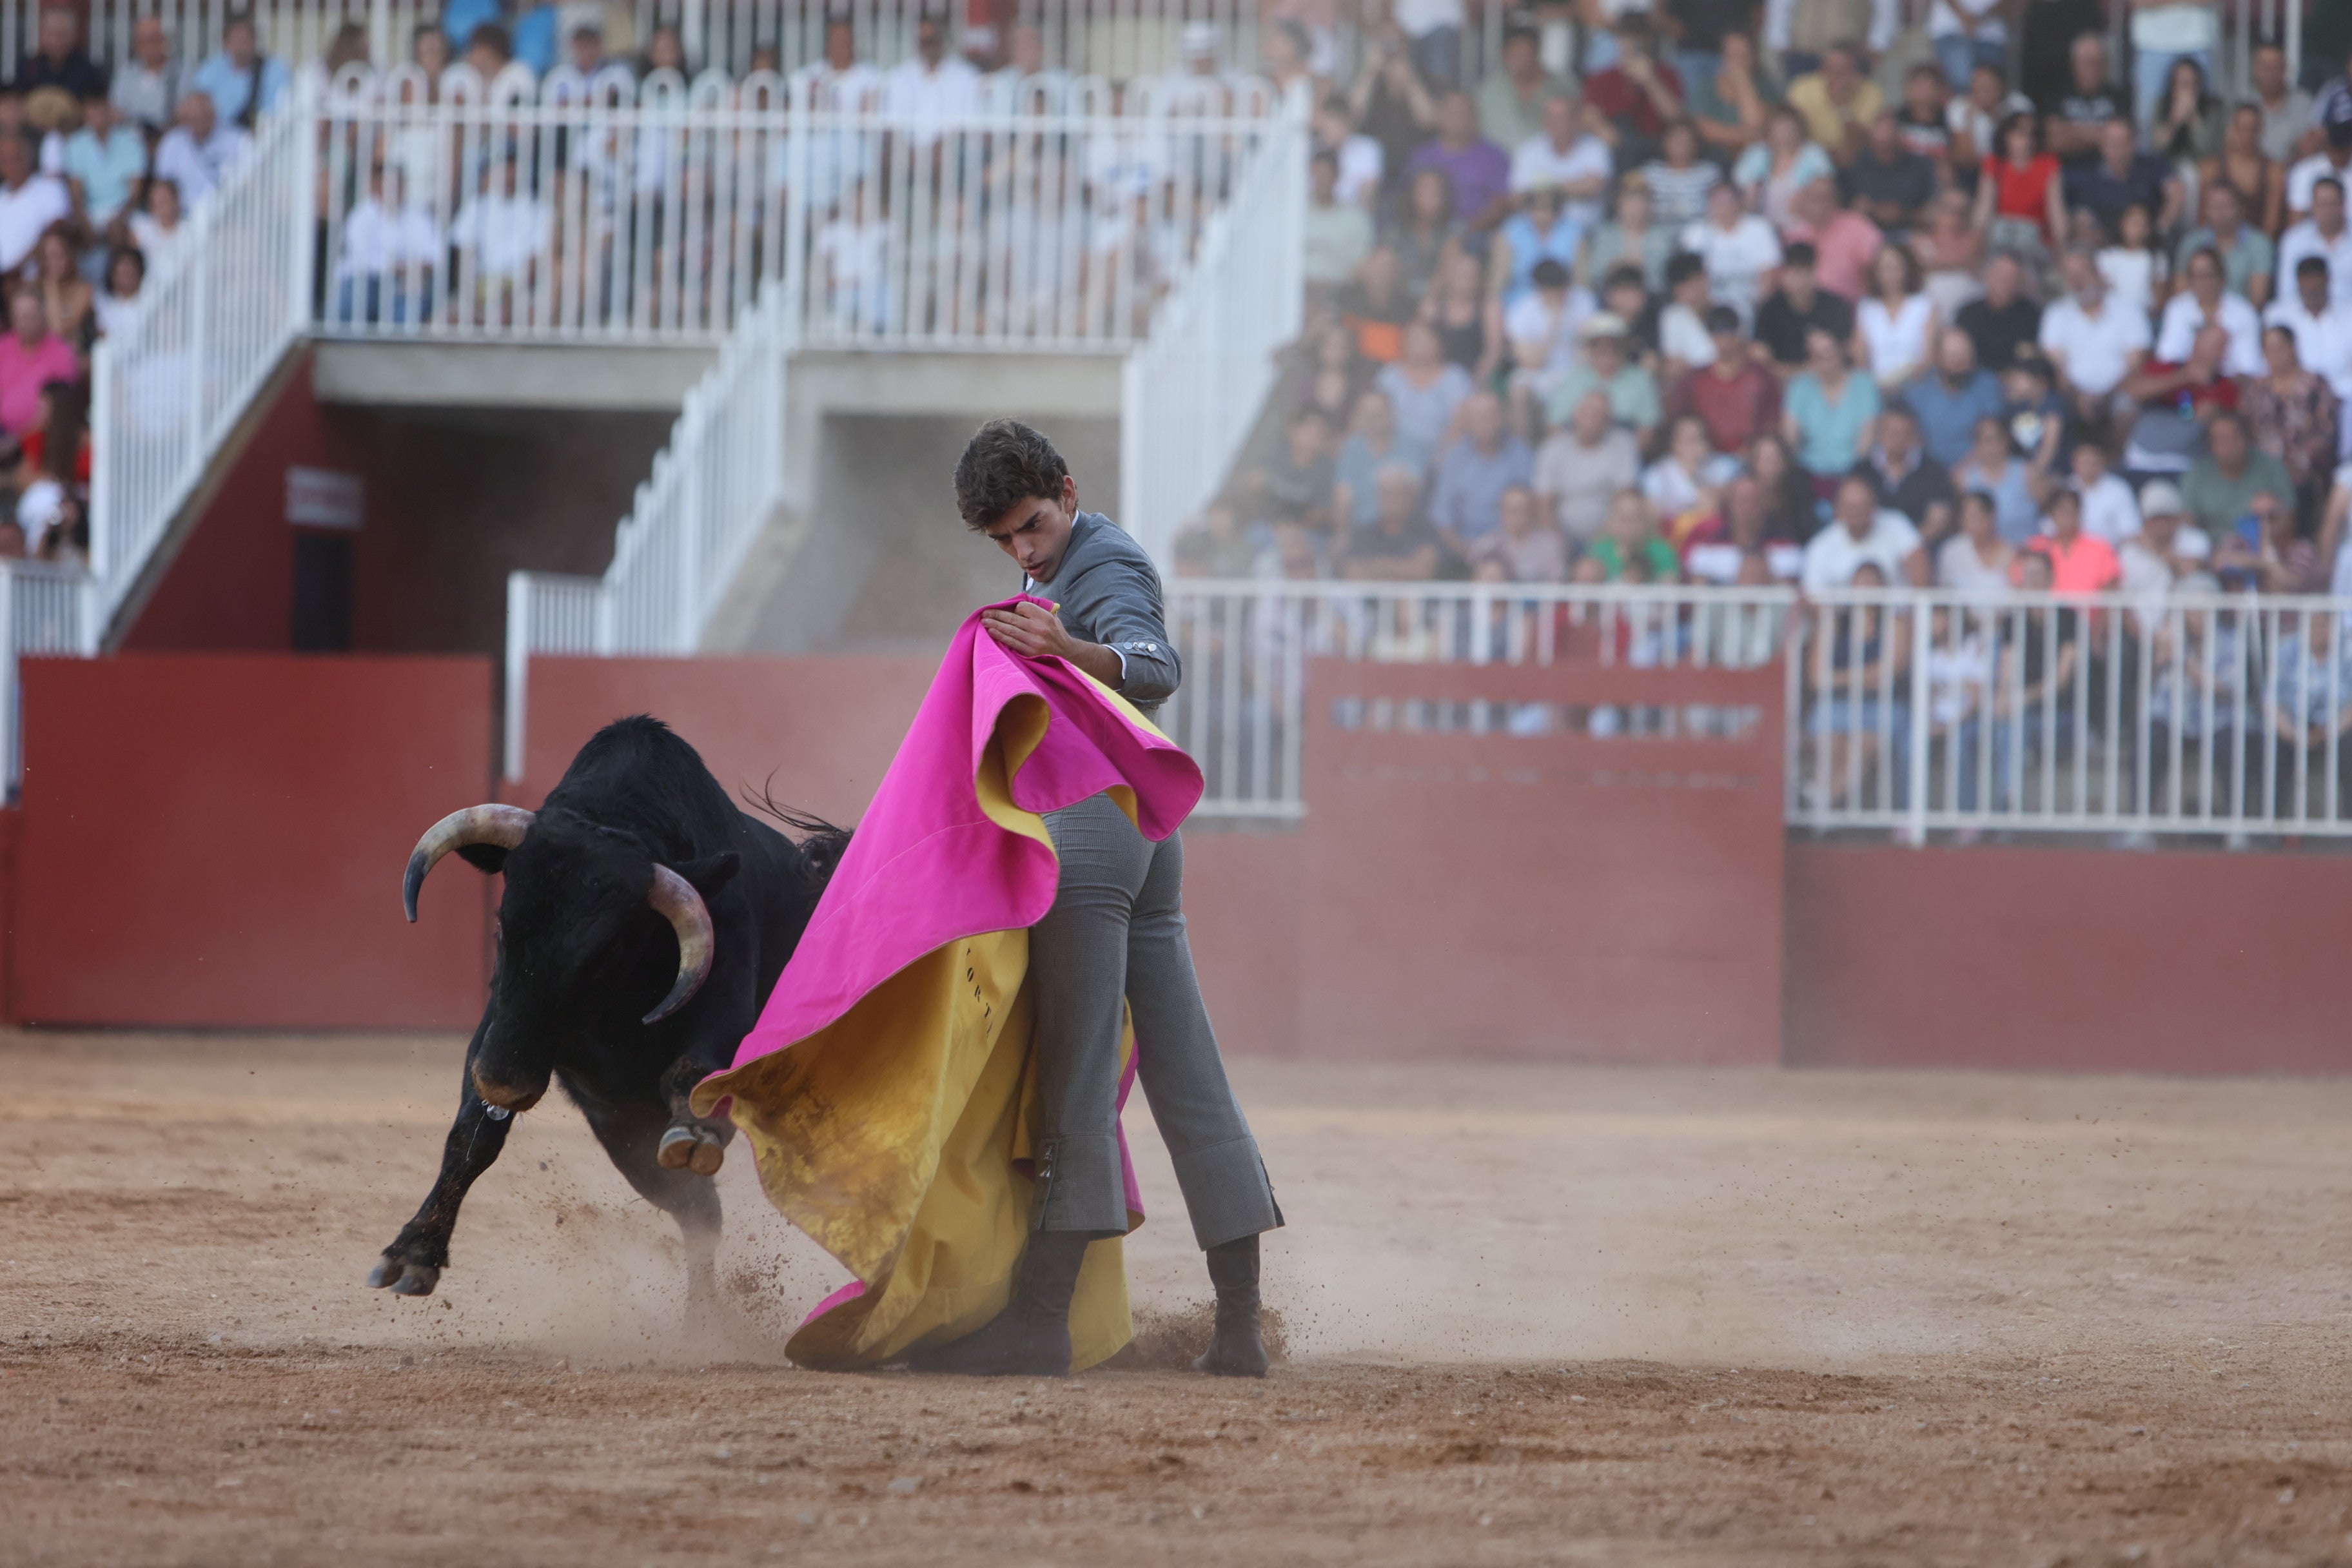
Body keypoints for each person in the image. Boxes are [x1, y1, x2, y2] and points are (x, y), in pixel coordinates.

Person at [926, 420, 1279, 1379]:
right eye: (1003, 542)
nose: (1024, 552)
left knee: (1075, 1074)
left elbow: (1156, 667)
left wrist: (1070, 647)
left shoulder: (1106, 559)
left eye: (1032, 527)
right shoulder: (1062, 561)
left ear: (1069, 492)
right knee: (1185, 1065)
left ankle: (1040, 1318)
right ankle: (1240, 1325)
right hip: (1141, 833)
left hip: (1091, 831)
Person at [2240, 322, 2342, 519]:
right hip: (2262, 468)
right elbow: (2246, 430)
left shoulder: (2315, 385)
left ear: (2293, 347)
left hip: (2306, 468)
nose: (2275, 354)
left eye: (2280, 347)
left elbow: (2327, 432)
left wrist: (2300, 459)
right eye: (2269, 348)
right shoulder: (2256, 389)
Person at [2037, 246, 2152, 416]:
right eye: (2070, 274)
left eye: (2082, 272)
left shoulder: (2129, 310)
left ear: (2097, 274)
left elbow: (2136, 365)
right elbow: (2056, 368)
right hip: (2072, 397)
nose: (2077, 280)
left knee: (2127, 411)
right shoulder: (2055, 313)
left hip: (2120, 394)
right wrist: (2080, 397)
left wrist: (2106, 397)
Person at [1427, 391, 1532, 554]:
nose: (1486, 423)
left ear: (1501, 418)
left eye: (1491, 416)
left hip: (1514, 550)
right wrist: (1469, 555)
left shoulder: (1520, 454)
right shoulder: (1455, 457)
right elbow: (1442, 517)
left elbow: (1532, 510)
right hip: (1463, 550)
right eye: (1479, 418)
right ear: (1468, 423)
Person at [1669, 304, 1783, 453]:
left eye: (1729, 336)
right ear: (1710, 337)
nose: (1724, 343)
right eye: (1718, 336)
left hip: (1752, 460)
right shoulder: (1695, 380)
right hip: (1706, 459)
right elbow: (1678, 420)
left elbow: (1772, 421)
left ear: (1739, 335)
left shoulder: (1761, 377)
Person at [1535, 387, 1642, 544]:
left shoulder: (1623, 443)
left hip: (1611, 537)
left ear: (1608, 419)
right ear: (1575, 414)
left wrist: (1602, 541)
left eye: (1599, 413)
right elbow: (1544, 504)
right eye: (1587, 411)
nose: (1592, 417)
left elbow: (1624, 498)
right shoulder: (1553, 448)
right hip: (1561, 538)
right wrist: (1558, 542)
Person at [1784, 326, 1882, 487]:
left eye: (1827, 352)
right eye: (1815, 354)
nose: (1822, 359)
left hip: (1854, 474)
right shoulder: (1799, 386)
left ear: (1841, 350)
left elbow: (1867, 441)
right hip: (1807, 475)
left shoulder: (1864, 385)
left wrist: (1851, 477)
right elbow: (1790, 439)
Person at [1583, 16, 1687, 165]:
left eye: (1638, 36)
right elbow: (1587, 116)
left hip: (1656, 149)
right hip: (1616, 150)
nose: (1632, 43)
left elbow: (1676, 117)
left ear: (1649, 40)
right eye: (1626, 36)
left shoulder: (1665, 74)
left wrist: (1651, 81)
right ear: (1618, 40)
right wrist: (1598, 127)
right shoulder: (1601, 78)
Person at [1544, 313, 1661, 440]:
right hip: (1578, 449)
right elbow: (1554, 424)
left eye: (1615, 348)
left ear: (1624, 349)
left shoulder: (1641, 380)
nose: (1608, 357)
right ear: (1591, 350)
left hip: (1623, 450)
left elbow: (1647, 430)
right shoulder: (1575, 378)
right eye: (1601, 349)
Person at [1407, 92, 1513, 233]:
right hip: (1428, 234)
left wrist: (1469, 230)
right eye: (1450, 111)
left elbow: (1502, 202)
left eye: (1462, 113)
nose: (1455, 118)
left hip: (1478, 233)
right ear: (1439, 115)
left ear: (1474, 118)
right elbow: (1407, 201)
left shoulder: (1494, 156)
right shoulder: (1421, 156)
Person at [1905, 326, 2008, 469]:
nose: (1961, 362)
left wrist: (1960, 473)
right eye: (1954, 356)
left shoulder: (1988, 386)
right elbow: (1913, 441)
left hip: (1980, 468)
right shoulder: (1918, 392)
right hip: (1931, 471)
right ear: (1937, 358)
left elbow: (1993, 437)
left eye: (1966, 355)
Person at [1803, 471, 1926, 590]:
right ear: (1838, 509)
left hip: (1898, 611)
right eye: (1851, 507)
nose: (1857, 512)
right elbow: (1814, 597)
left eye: (1863, 505)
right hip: (1843, 611)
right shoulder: (1821, 546)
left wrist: (1912, 610)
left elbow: (1921, 576)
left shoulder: (1897, 525)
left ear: (1874, 505)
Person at [2180, 409, 2294, 536]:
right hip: (2210, 551)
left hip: (2260, 546)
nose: (2228, 446)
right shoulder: (2197, 473)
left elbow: (2288, 520)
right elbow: (2188, 521)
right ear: (2211, 445)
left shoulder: (2272, 468)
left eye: (2234, 438)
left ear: (2247, 439)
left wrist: (2259, 538)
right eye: (2220, 440)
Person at [2066, 116, 2184, 239]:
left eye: (2124, 142)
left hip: (2151, 244)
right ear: (2102, 145)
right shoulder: (2089, 177)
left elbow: (2177, 192)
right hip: (2107, 250)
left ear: (2134, 142)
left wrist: (2160, 228)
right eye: (2112, 143)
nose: (2119, 150)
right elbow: (2083, 220)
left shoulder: (2152, 165)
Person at [1679, 180, 1782, 321]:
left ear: (1738, 201)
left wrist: (1756, 306)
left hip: (1750, 303)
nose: (1721, 206)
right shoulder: (1695, 233)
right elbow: (1689, 279)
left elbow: (1768, 276)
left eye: (1726, 200)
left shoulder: (1759, 229)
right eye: (1716, 200)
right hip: (1707, 306)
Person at [2264, 255, 2352, 418]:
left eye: (2317, 287)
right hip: (2296, 402)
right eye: (2308, 288)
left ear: (2327, 281)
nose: (2313, 292)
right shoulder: (2278, 315)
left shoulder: (2349, 316)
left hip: (2347, 402)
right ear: (2298, 283)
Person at [2157, 245, 2265, 378]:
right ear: (2190, 280)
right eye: (2198, 276)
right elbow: (2168, 356)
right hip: (2185, 382)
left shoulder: (2244, 312)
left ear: (2222, 277)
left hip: (2231, 386)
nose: (2204, 283)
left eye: (2210, 275)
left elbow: (2249, 366)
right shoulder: (2176, 308)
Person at [1510, 93, 1612, 229]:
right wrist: (1574, 188)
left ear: (1576, 120)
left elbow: (1595, 186)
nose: (1557, 124)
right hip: (1536, 232)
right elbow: (1518, 197)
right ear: (1545, 121)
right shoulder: (1528, 151)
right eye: (1552, 118)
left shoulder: (1596, 147)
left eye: (1562, 118)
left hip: (1587, 232)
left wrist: (1545, 191)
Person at [1972, 111, 2066, 259]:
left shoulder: (2049, 165)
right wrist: (1977, 239)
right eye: (2021, 135)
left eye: (2032, 135)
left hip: (2038, 240)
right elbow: (1985, 207)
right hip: (2001, 238)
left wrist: (2061, 245)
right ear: (2007, 137)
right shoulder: (1994, 164)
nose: (2027, 141)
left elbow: (2056, 211)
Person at [1331, 388, 1426, 531]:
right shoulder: (1353, 447)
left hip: (1399, 530)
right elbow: (1342, 495)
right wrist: (1342, 535)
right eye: (1367, 414)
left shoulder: (1410, 446)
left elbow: (1415, 493)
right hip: (1360, 531)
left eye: (1378, 413)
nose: (1372, 419)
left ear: (1391, 415)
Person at [1376, 320, 1475, 455]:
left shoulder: (1455, 377)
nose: (1418, 345)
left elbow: (1461, 424)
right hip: (1393, 454)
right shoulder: (1389, 376)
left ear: (1439, 343)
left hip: (1444, 454)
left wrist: (1439, 456)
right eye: (1413, 340)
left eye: (1424, 340)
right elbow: (1376, 417)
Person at [1856, 404, 1954, 537]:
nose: (1895, 439)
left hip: (1919, 546)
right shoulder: (1862, 470)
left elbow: (1938, 521)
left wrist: (1907, 547)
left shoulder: (1932, 471)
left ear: (1912, 435)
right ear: (1880, 433)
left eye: (1902, 433)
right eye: (1891, 432)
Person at [1755, 239, 1854, 372]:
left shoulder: (1836, 306)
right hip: (1782, 383)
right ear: (1784, 275)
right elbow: (1761, 357)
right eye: (1796, 274)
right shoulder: (1769, 310)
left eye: (1807, 273)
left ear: (1816, 272)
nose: (1801, 281)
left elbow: (1846, 350)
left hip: (1829, 379)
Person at [1781, 176, 1882, 304]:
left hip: (1849, 312)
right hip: (1804, 313)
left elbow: (1879, 270)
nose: (1819, 205)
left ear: (1836, 200)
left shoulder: (1859, 228)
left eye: (1825, 198)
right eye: (1813, 198)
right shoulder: (1794, 234)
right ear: (1803, 201)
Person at [1733, 104, 1835, 230]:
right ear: (1769, 128)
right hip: (1762, 227)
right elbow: (1739, 191)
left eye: (1788, 125)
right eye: (1779, 125)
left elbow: (1826, 192)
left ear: (1799, 128)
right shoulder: (1756, 154)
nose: (1784, 130)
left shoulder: (1814, 154)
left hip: (1805, 227)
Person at [1853, 242, 1937, 391]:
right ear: (1876, 273)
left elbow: (1928, 356)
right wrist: (1874, 386)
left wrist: (1904, 384)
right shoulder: (1867, 307)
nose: (1890, 275)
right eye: (1884, 268)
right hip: (1876, 387)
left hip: (1917, 386)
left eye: (1895, 268)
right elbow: (1860, 354)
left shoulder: (1923, 305)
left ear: (1907, 270)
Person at [2175, 183, 2269, 312]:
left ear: (2240, 208)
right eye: (2215, 207)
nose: (2220, 213)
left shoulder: (2259, 244)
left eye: (2226, 206)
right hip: (2195, 319)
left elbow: (2258, 299)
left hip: (2242, 320)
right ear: (2205, 210)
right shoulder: (2191, 243)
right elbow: (2181, 293)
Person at [1340, 461, 1444, 578]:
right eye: (1386, 493)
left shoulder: (1427, 531)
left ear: (1411, 495)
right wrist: (1403, 568)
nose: (1392, 499)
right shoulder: (1363, 534)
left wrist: (1378, 566)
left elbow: (1423, 571)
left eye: (1398, 492)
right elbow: (1354, 573)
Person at [64, 90, 148, 236]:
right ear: (85, 115)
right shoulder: (75, 144)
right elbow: (76, 195)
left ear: (109, 111)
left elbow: (135, 194)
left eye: (100, 110)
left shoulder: (131, 142)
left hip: (123, 212)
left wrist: (119, 219)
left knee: (140, 231)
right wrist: (85, 223)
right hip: (91, 213)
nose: (97, 117)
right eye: (91, 112)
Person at [1785, 42, 1881, 165]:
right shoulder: (1802, 88)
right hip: (1808, 159)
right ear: (1822, 70)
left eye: (1844, 70)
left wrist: (1843, 108)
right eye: (1831, 69)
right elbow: (1790, 133)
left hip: (1854, 162)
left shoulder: (1871, 93)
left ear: (1856, 70)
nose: (1837, 76)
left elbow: (1860, 148)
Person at [1843, 110, 1937, 236]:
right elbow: (1841, 210)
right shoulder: (1857, 166)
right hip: (1865, 235)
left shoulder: (1921, 166)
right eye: (1880, 145)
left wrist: (1903, 215)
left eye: (1888, 144)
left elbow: (1934, 212)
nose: (1884, 151)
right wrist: (1859, 210)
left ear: (1899, 137)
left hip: (1912, 234)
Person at [191, 12, 291, 130]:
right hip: (214, 137)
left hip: (258, 137)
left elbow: (280, 111)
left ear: (255, 40)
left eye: (247, 39)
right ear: (226, 43)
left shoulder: (275, 70)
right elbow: (197, 104)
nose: (243, 45)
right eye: (237, 39)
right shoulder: (211, 68)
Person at [1477, 24, 1569, 152]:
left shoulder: (1565, 86)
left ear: (1538, 52)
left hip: (1552, 167)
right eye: (1516, 55)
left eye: (1526, 54)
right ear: (1505, 55)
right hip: (1499, 167)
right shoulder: (1488, 93)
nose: (1522, 61)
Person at [153, 90, 250, 209]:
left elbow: (250, 183)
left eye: (201, 118)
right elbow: (163, 188)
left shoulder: (239, 140)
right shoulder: (172, 143)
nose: (196, 124)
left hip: (228, 214)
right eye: (190, 119)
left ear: (213, 115)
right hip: (183, 220)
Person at [1950, 411, 2037, 542]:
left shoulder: (2028, 473)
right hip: (1982, 554)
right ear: (1976, 445)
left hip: (2026, 553)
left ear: (2007, 440)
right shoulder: (1963, 480)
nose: (1991, 446)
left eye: (1996, 439)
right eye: (1984, 440)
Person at [2202, 101, 2286, 237]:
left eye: (2252, 129)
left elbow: (2272, 226)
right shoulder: (2214, 169)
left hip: (2256, 247)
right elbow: (2203, 221)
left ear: (2261, 131)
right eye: (2243, 129)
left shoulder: (2273, 172)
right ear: (2233, 129)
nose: (2247, 136)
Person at [2041, 32, 2126, 164]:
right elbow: (2053, 142)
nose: (2093, 69)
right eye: (2087, 62)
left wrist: (2070, 131)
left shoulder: (2119, 96)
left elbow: (2122, 142)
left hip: (2106, 174)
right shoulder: (2057, 94)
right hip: (2066, 172)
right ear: (2074, 64)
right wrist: (2100, 135)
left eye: (2098, 62)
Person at [1951, 251, 2041, 376]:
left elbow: (2032, 361)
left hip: (2013, 385)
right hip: (1971, 383)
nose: (2007, 282)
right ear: (1988, 276)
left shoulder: (2032, 316)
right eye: (2001, 275)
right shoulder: (1968, 313)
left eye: (2013, 277)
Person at [1689, 30, 1776, 159]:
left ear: (1754, 57)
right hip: (1711, 155)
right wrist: (1746, 136)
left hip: (1755, 158)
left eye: (1743, 56)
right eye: (1732, 56)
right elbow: (1702, 128)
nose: (1737, 62)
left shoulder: (1767, 87)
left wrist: (1743, 82)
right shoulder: (1707, 87)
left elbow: (1756, 122)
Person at [1578, 175, 1672, 293]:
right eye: (1630, 199)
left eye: (1641, 199)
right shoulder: (1604, 235)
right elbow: (1594, 277)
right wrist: (1615, 269)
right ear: (1618, 202)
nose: (1635, 206)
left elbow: (1664, 281)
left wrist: (1640, 270)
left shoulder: (1662, 237)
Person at [0, 286, 74, 437]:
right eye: (21, 317)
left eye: (30, 316)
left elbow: (61, 405)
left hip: (42, 438)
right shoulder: (4, 347)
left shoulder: (60, 352)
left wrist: (20, 437)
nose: (26, 322)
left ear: (43, 315)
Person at [2277, 178, 2352, 313]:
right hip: (2305, 317)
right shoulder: (2294, 239)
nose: (2327, 210)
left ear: (2343, 204)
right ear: (2312, 206)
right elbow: (2287, 293)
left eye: (2332, 204)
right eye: (2322, 204)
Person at [0, 129, 68, 279]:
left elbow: (57, 229)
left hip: (35, 280)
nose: (9, 166)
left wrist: (18, 268)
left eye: (14, 159)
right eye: (3, 161)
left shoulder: (49, 188)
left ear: (27, 158)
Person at [2025, 485, 2121, 592]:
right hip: (2047, 608)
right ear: (2052, 514)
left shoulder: (2101, 548)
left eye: (2071, 511)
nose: (2067, 517)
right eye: (2062, 511)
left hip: (2088, 608)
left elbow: (2111, 586)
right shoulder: (2036, 546)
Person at [1303, 151, 1373, 296]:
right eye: (1317, 173)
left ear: (1337, 176)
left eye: (1326, 174)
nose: (1321, 180)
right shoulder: (1296, 216)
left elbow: (1362, 266)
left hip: (1340, 296)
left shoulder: (1356, 218)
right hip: (1297, 293)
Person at [1471, 482, 1570, 581]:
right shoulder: (1485, 546)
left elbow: (1556, 584)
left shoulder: (1549, 545)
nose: (1516, 517)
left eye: (1521, 510)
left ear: (1531, 511)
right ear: (1501, 511)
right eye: (1511, 510)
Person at [1420, 248, 1494, 378]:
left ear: (1478, 280)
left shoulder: (1488, 309)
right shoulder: (1432, 309)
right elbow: (1420, 347)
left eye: (1469, 277)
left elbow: (1493, 351)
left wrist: (1476, 380)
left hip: (1472, 378)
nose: (1464, 283)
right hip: (1435, 378)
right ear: (1449, 277)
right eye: (1459, 276)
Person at [110, 15, 185, 138]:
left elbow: (187, 113)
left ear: (164, 40)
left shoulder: (182, 71)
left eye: (152, 40)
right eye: (141, 41)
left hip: (169, 139)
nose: (147, 47)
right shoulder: (127, 73)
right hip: (132, 140)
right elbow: (116, 111)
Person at [1639, 117, 1720, 230]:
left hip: (1698, 235)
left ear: (1696, 145)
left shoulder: (1709, 172)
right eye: (1676, 140)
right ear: (1665, 142)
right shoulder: (1650, 172)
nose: (1681, 145)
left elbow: (1717, 208)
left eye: (1686, 141)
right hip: (1657, 234)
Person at [2150, 55, 2226, 170]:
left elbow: (2207, 147)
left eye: (2195, 84)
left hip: (2202, 170)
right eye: (2185, 84)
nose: (2190, 90)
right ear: (2173, 86)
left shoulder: (2213, 108)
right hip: (2170, 170)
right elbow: (2155, 147)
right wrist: (2174, 121)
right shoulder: (2161, 105)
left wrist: (2193, 117)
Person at [1936, 485, 2014, 589]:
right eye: (1967, 517)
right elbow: (1942, 595)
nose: (1972, 523)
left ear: (1991, 516)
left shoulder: (2010, 552)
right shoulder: (1952, 551)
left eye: (1977, 516)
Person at [2071, 440, 2142, 544]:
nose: (2089, 468)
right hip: (2073, 553)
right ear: (2075, 464)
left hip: (2111, 552)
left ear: (2102, 463)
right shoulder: (2066, 488)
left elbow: (2130, 531)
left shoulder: (2119, 489)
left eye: (2094, 463)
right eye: (2085, 462)